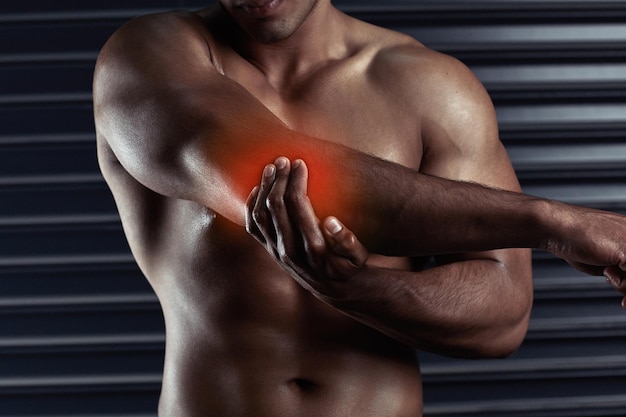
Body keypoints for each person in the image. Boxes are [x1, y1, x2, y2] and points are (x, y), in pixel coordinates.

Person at [92, 1, 626, 416]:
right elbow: (277, 174)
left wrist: (359, 290)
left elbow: (502, 318)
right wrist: (552, 221)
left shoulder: (430, 87)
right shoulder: (150, 56)